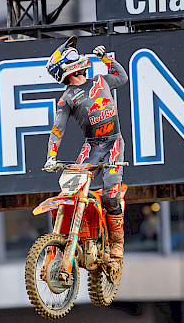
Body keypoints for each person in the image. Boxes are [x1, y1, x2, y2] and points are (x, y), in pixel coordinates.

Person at [44, 36, 128, 275]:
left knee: (111, 194)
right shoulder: (67, 98)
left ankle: (116, 249)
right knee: (70, 192)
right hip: (92, 147)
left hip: (113, 143)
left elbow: (122, 77)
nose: (79, 56)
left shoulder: (101, 80)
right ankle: (72, 242)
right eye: (73, 54)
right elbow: (58, 129)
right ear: (66, 66)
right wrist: (51, 156)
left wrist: (105, 59)